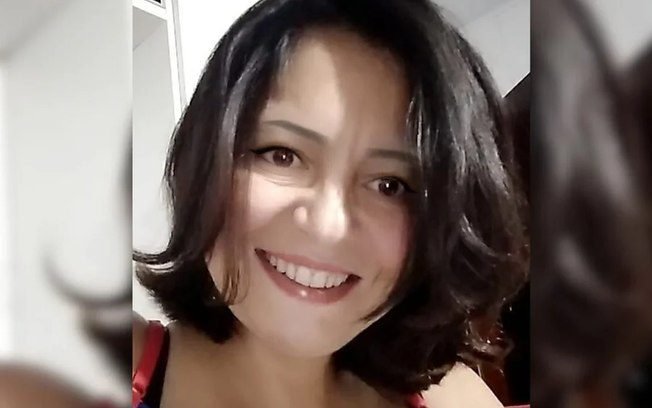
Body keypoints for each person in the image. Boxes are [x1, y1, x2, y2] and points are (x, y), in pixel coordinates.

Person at [133, 0, 528, 407]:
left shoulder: (456, 398)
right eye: (282, 155)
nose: (327, 225)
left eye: (389, 185)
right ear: (203, 161)